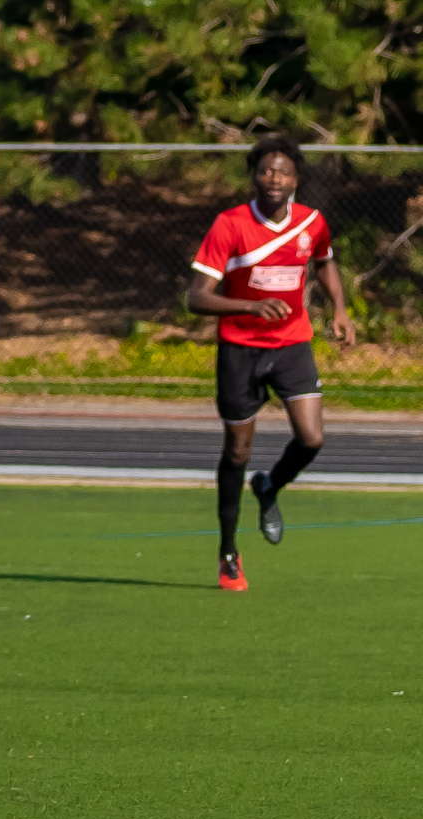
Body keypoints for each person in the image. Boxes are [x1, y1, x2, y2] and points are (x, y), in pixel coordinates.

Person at [188, 135, 354, 592]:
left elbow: (324, 262)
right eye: (266, 170)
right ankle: (227, 552)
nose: (274, 179)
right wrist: (249, 306)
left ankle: (270, 486)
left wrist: (339, 309)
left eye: (283, 171)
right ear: (254, 177)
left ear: (296, 178)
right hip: (240, 351)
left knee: (312, 437)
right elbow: (196, 297)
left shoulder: (312, 222)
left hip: (291, 344)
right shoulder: (230, 224)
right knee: (237, 451)